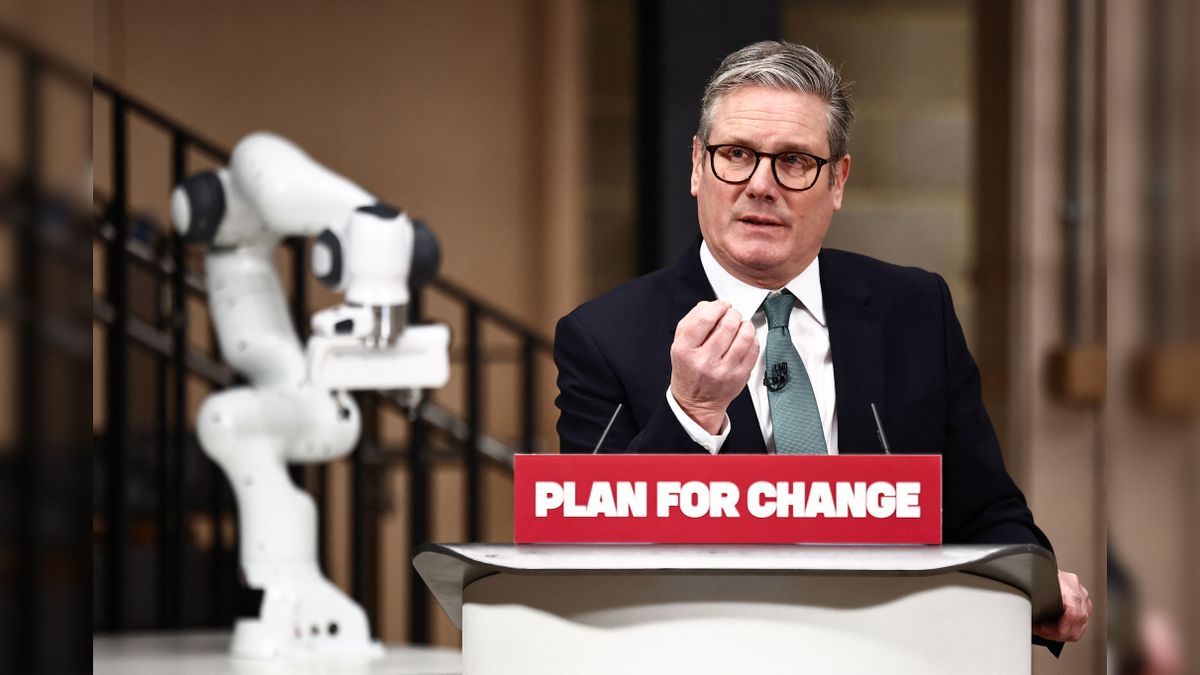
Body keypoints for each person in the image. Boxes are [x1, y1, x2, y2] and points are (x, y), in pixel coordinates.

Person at [553, 40, 1090, 650]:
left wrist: (1038, 578)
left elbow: (982, 508)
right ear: (697, 167)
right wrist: (691, 415)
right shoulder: (602, 336)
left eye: (795, 162)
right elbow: (587, 553)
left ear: (837, 180)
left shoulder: (916, 310)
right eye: (736, 155)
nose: (761, 185)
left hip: (893, 652)